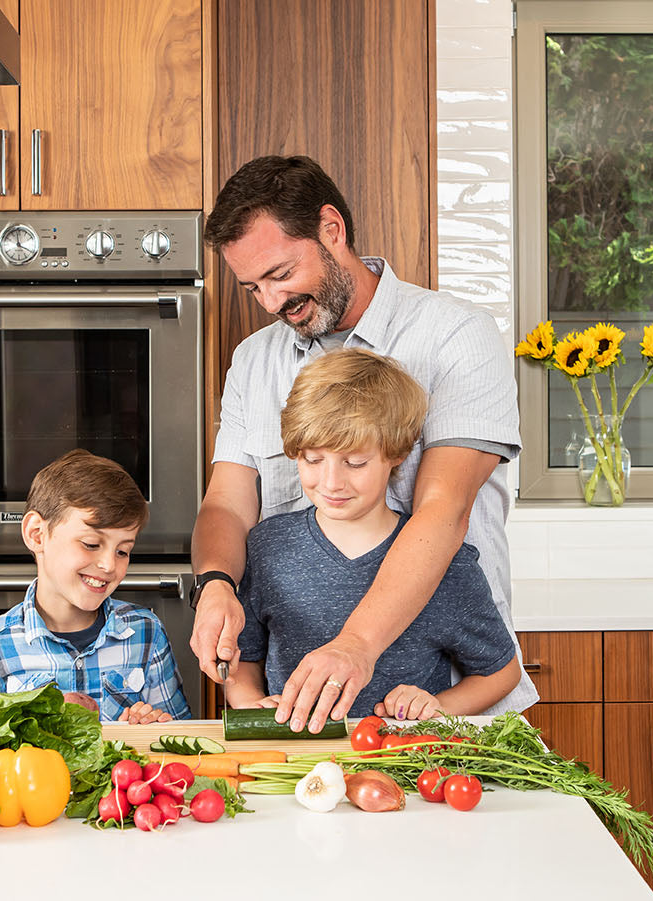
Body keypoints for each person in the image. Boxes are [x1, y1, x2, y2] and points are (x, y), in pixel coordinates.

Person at [191, 154, 539, 732]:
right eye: (254, 287)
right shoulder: (255, 361)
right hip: (310, 726)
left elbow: (442, 512)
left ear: (332, 229)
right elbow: (227, 503)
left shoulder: (456, 336)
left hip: (450, 711)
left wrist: (357, 643)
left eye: (280, 275)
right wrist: (216, 585)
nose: (273, 303)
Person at [228, 349, 522, 718]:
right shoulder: (268, 548)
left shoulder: (447, 564)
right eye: (312, 459)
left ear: (396, 453)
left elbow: (502, 673)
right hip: (295, 765)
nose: (332, 482)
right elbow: (242, 659)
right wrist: (251, 704)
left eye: (355, 462)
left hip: (405, 764)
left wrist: (437, 707)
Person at [0, 449, 191, 724]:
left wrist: (147, 729)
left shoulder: (146, 633)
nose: (109, 565)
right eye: (91, 544)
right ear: (37, 535)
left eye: (122, 551)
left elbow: (178, 740)